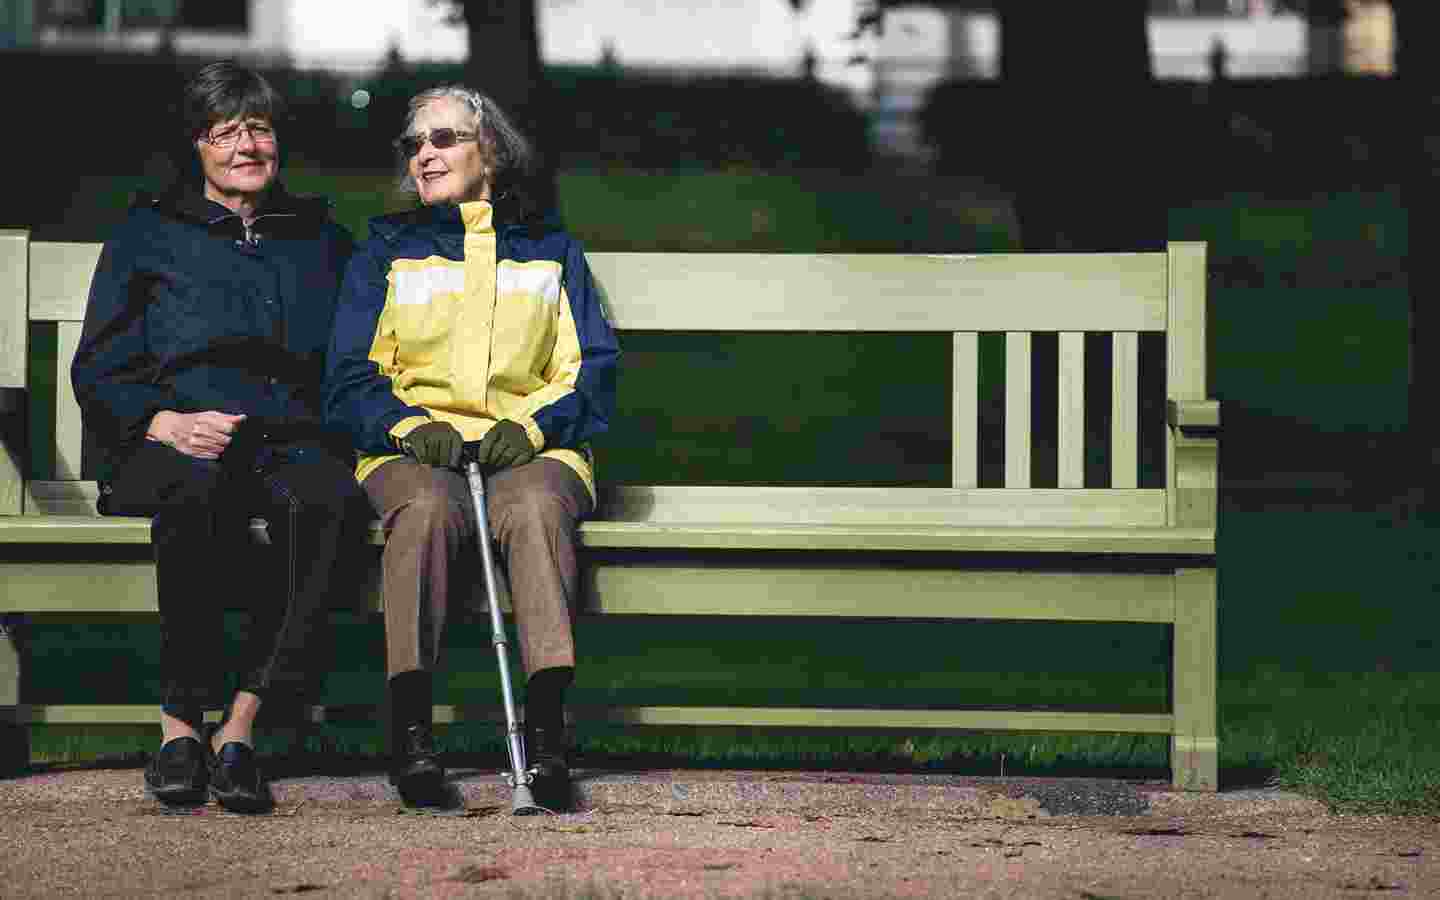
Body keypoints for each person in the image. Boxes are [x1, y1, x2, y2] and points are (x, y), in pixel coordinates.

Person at [71, 61, 372, 813]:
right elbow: (101, 362)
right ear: (197, 146)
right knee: (194, 496)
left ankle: (240, 729)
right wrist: (162, 423)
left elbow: (352, 359)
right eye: (225, 131)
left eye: (259, 128)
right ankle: (180, 726)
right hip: (177, 435)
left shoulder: (320, 239)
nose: (245, 145)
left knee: (327, 501)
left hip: (290, 435)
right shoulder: (149, 233)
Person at [324, 85, 619, 810]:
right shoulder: (387, 250)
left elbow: (593, 368)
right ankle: (412, 734)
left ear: (490, 148)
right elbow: (349, 374)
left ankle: (548, 733)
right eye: (414, 145)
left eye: (444, 139)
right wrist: (404, 428)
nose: (424, 155)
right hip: (414, 446)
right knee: (423, 511)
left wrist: (535, 430)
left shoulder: (551, 249)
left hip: (529, 445)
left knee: (538, 509)